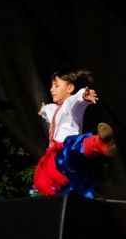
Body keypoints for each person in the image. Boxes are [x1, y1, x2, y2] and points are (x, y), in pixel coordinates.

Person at [33, 69, 116, 198]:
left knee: (71, 145)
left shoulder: (70, 103)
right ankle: (71, 197)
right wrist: (43, 110)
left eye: (56, 86)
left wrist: (85, 95)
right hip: (54, 155)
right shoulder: (53, 109)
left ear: (70, 88)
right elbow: (47, 111)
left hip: (68, 148)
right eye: (51, 86)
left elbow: (78, 98)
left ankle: (101, 143)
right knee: (54, 178)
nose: (51, 89)